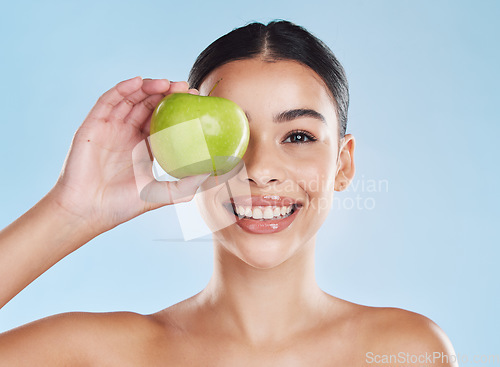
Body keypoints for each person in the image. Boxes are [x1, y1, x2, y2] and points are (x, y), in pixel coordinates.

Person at [0, 20, 457, 366]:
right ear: (178, 153)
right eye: (228, 134)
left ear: (343, 164)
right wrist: (73, 210)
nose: (259, 171)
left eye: (297, 136)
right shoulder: (99, 355)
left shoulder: (406, 352)